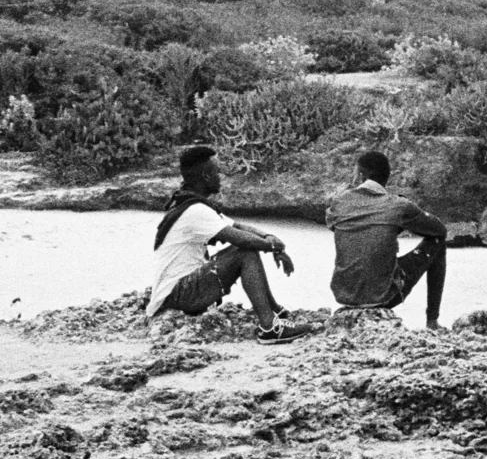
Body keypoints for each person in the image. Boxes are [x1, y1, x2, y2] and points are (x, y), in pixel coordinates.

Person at [147, 145, 305, 342]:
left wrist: (268, 237)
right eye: (216, 171)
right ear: (205, 176)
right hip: (177, 294)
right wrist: (275, 247)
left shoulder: (190, 203)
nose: (221, 176)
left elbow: (237, 225)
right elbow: (241, 238)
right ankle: (269, 327)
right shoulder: (196, 211)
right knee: (244, 252)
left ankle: (275, 312)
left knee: (246, 249)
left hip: (177, 291)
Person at [326, 149, 448, 327]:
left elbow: (336, 225)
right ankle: (432, 320)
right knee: (438, 242)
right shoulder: (398, 205)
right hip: (385, 296)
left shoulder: (339, 203)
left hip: (344, 294)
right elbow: (439, 230)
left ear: (361, 176)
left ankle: (431, 320)